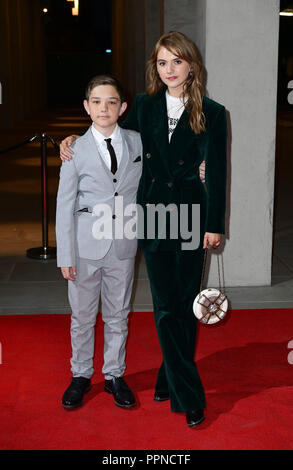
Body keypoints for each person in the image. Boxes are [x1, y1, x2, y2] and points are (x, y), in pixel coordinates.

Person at [60, 31, 227, 428]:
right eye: (162, 62)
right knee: (166, 305)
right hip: (150, 217)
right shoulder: (146, 107)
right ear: (156, 67)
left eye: (177, 61)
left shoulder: (214, 112)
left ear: (191, 65)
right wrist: (71, 140)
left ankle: (178, 384)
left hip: (189, 216)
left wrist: (214, 224)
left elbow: (218, 172)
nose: (169, 70)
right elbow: (107, 130)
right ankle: (177, 380)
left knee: (183, 303)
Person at [56, 75, 143, 410]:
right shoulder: (74, 149)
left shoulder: (137, 143)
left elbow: (164, 168)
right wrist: (65, 253)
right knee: (82, 315)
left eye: (111, 102)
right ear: (86, 107)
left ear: (122, 107)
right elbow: (64, 204)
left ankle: (114, 375)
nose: (103, 108)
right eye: (96, 101)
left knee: (119, 314)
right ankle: (80, 375)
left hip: (123, 244)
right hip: (84, 246)